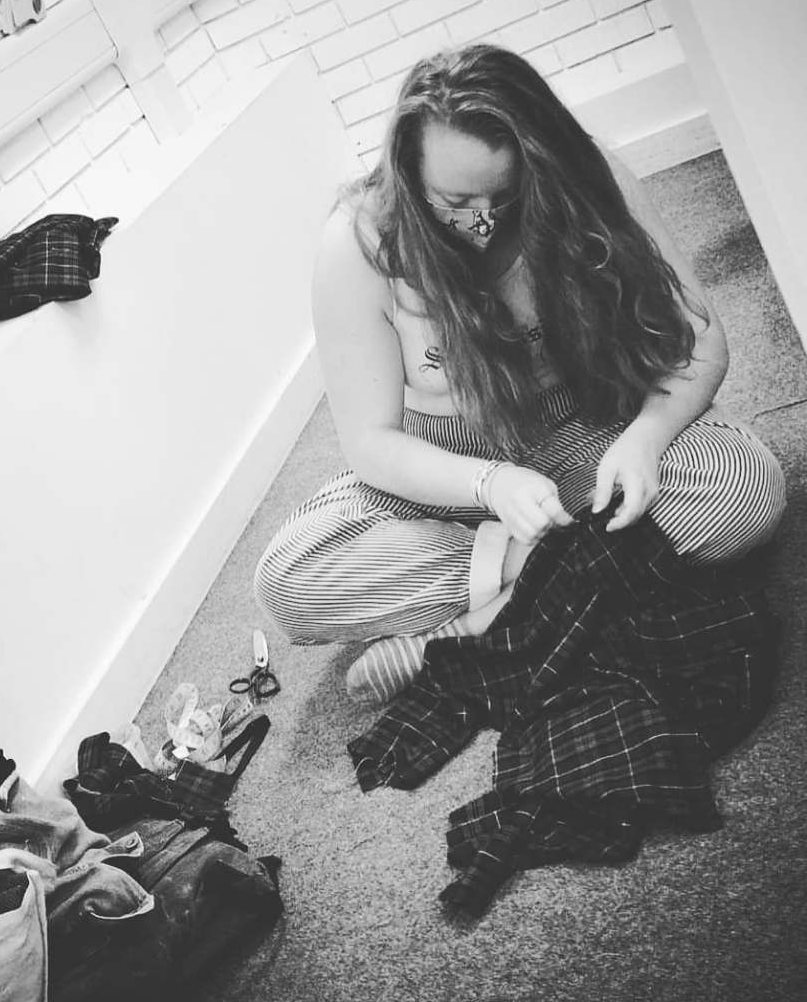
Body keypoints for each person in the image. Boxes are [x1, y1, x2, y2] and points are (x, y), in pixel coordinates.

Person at [254, 43, 786, 704]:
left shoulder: (588, 177)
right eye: (455, 200)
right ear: (407, 174)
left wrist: (646, 440)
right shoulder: (357, 243)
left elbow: (698, 338)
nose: (482, 224)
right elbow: (370, 444)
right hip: (447, 465)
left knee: (744, 489)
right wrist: (490, 482)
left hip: (583, 427)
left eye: (506, 197)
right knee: (290, 577)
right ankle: (558, 580)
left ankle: (476, 631)